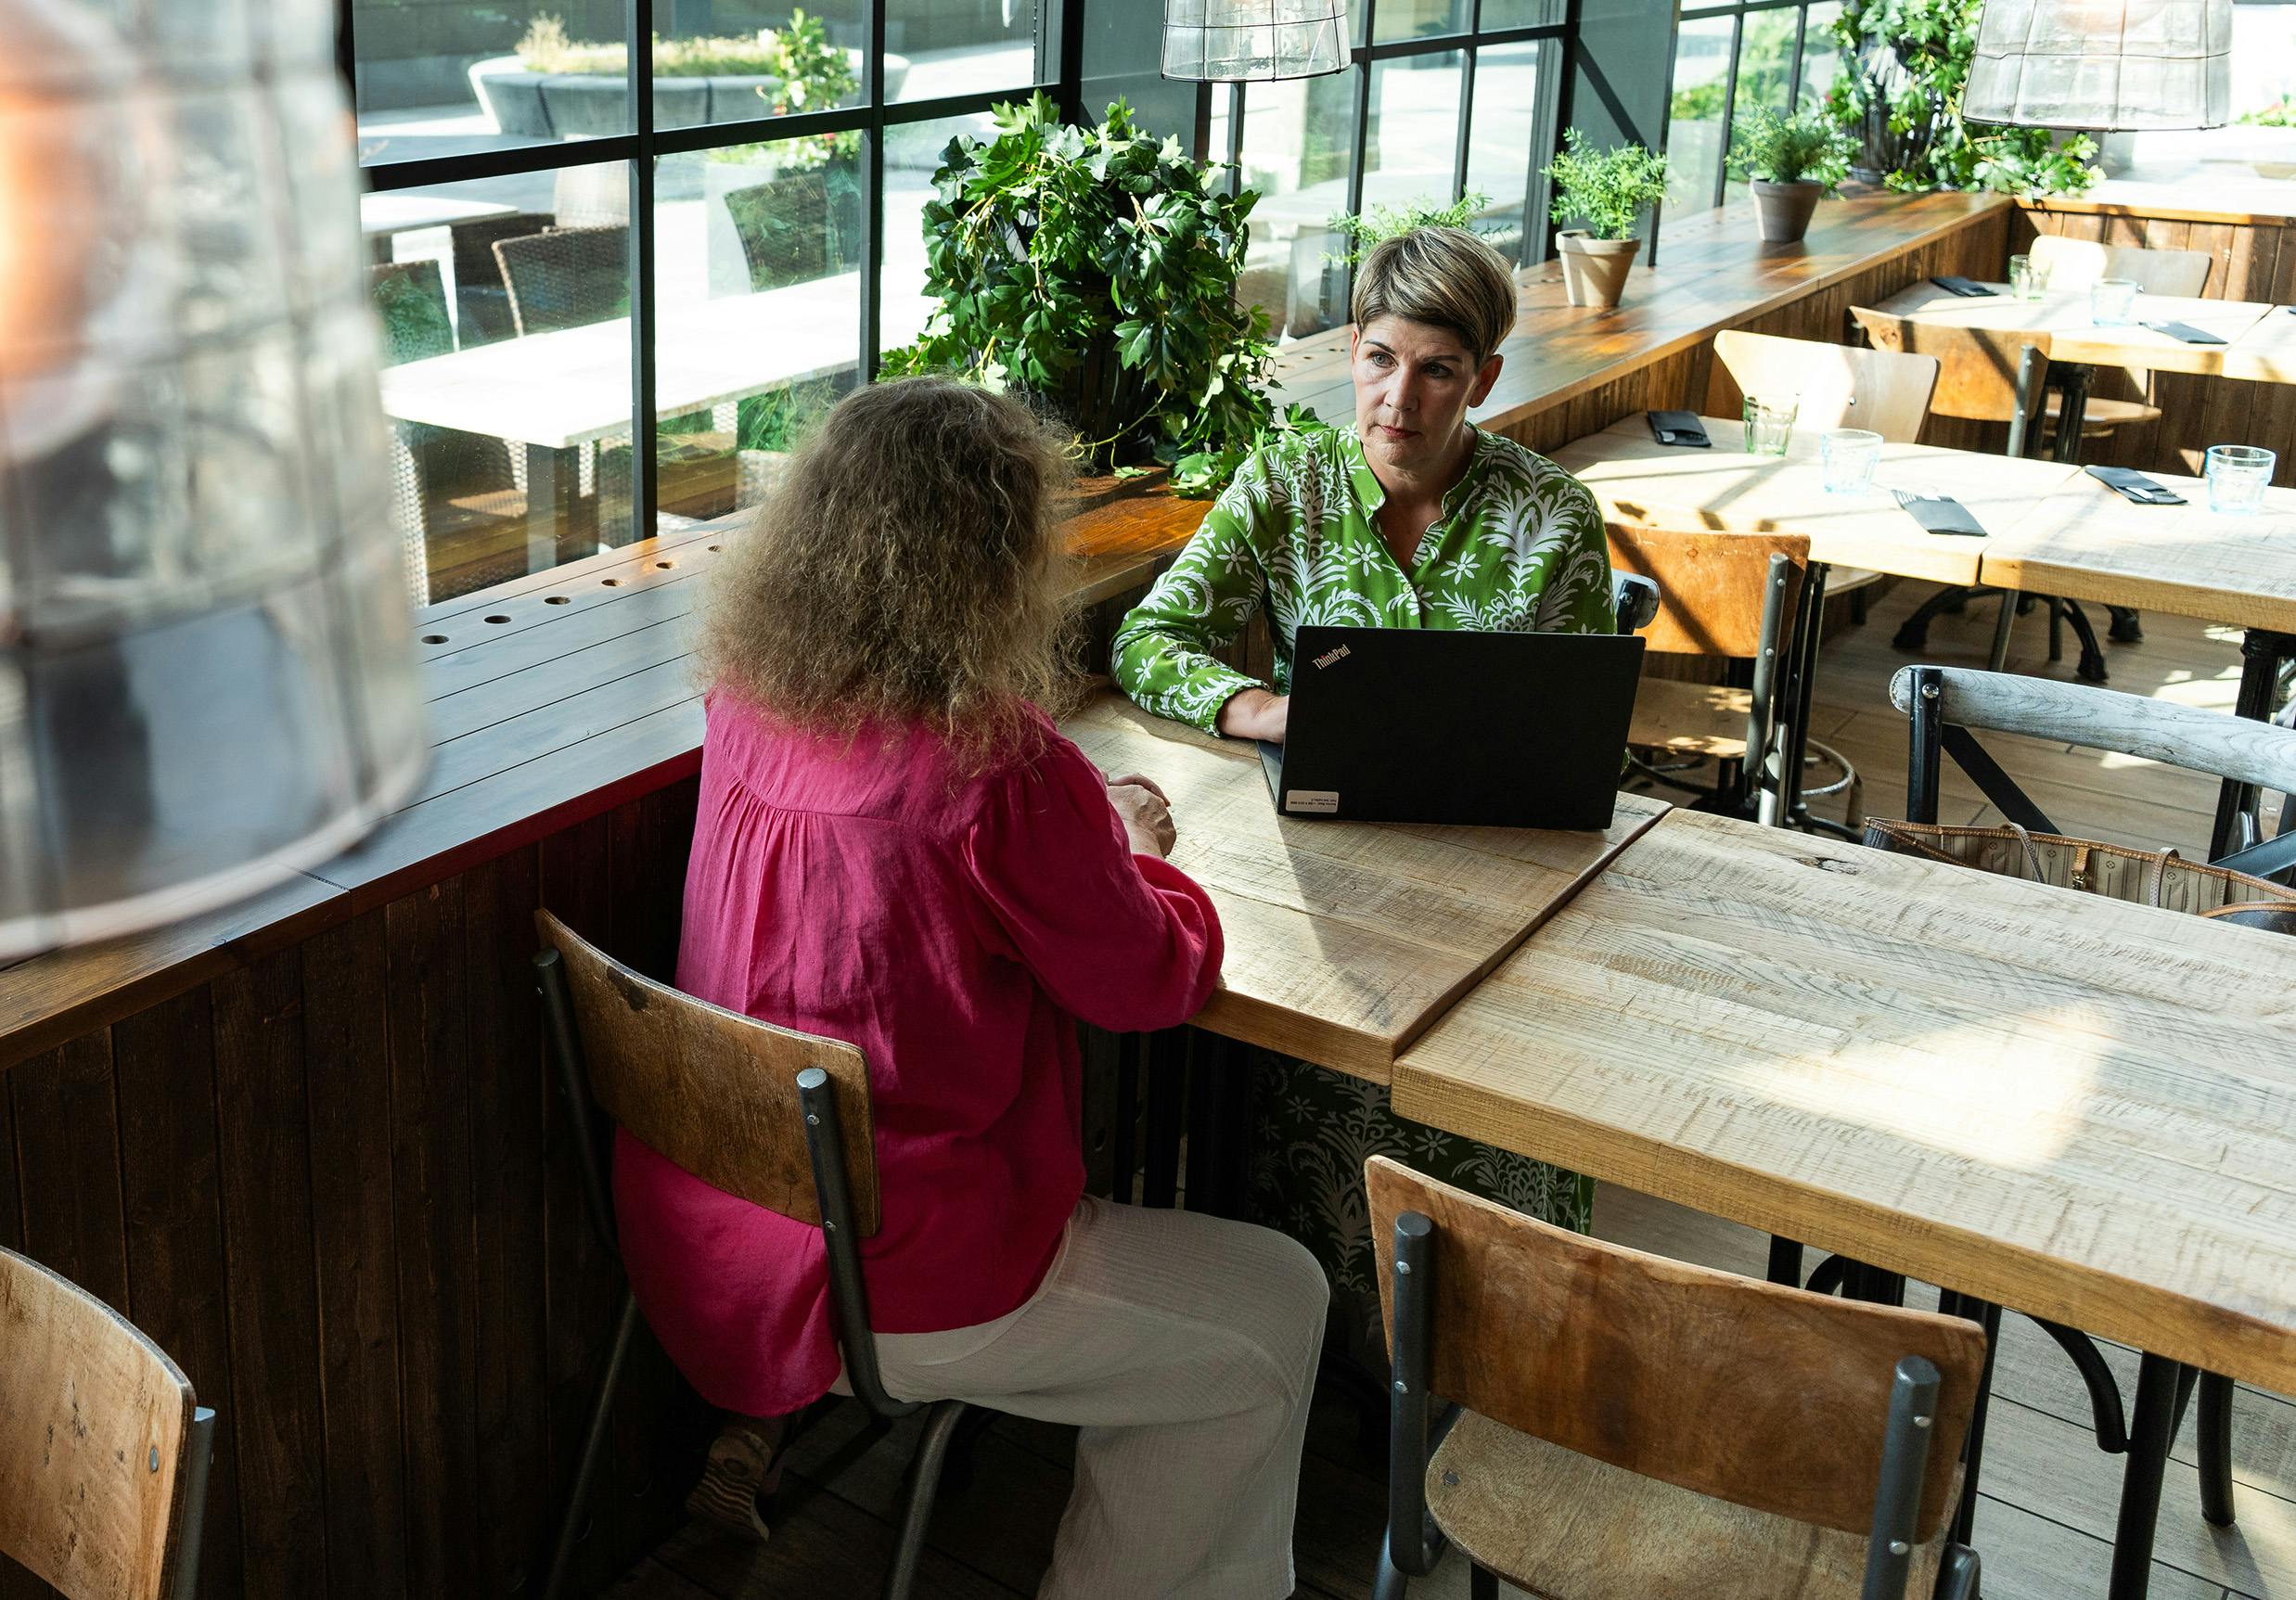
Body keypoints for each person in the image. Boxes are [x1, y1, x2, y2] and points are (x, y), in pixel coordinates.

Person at [618, 375, 1329, 1599]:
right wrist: (1139, 853)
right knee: (1272, 1314)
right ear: (998, 557)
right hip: (891, 1272)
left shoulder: (743, 700)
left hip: (709, 1242)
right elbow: (1152, 982)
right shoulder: (993, 769)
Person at [1110, 224, 1616, 1363]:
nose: (1402, 398)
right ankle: (1329, 1356)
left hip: (1499, 881)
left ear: (1482, 379)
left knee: (1505, 1118)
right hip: (1325, 885)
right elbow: (1152, 636)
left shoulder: (1552, 517)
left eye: (1439, 370)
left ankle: (1496, 1359)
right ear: (1351, 350)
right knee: (1305, 1103)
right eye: (1383, 359)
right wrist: (1265, 711)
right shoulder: (1288, 479)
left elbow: (1582, 743)